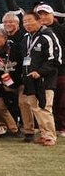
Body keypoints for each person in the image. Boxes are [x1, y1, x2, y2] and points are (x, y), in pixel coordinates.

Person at [21, 11, 60, 146]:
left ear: (39, 21)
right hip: (30, 79)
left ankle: (50, 136)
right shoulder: (26, 37)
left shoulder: (47, 36)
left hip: (45, 79)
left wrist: (40, 72)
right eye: (25, 21)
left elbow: (55, 59)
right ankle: (44, 134)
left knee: (45, 107)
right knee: (35, 108)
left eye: (30, 21)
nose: (27, 24)